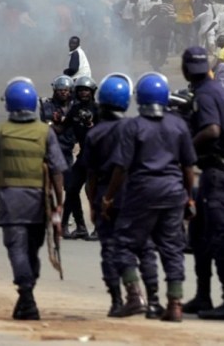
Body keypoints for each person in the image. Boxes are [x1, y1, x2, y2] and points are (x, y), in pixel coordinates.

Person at [103, 72, 197, 322]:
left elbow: (121, 168)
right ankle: (175, 304)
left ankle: (134, 296)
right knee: (172, 248)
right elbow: (188, 167)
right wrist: (189, 198)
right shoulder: (178, 125)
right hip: (173, 192)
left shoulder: (133, 126)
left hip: (141, 192)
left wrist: (108, 197)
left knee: (123, 243)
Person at [0, 77, 66, 320]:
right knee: (32, 250)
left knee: (17, 249)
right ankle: (26, 297)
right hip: (39, 202)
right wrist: (59, 202)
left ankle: (26, 296)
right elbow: (57, 171)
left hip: (10, 201)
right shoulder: (45, 132)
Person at [82, 73, 163, 318]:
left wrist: (95, 203)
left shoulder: (94, 135)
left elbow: (92, 175)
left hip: (107, 195)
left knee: (111, 249)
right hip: (137, 195)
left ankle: (119, 300)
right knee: (144, 247)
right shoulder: (136, 126)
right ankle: (154, 301)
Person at [180, 47, 224, 321]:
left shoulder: (206, 94)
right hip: (217, 169)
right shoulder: (214, 88)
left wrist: (186, 148)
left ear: (186, 70)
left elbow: (212, 129)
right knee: (199, 233)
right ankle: (203, 295)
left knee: (218, 236)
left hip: (221, 169)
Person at [60, 76, 98, 239]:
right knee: (71, 187)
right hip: (83, 156)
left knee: (94, 193)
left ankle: (100, 228)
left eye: (86, 90)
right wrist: (53, 124)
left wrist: (91, 125)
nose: (83, 93)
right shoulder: (74, 110)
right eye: (81, 90)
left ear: (92, 92)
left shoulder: (99, 110)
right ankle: (80, 226)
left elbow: (103, 136)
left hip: (98, 158)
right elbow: (61, 128)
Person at [39, 75, 76, 171]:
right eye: (60, 89)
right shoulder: (47, 106)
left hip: (69, 148)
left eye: (66, 90)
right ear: (55, 91)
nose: (63, 92)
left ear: (70, 91)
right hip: (52, 148)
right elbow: (45, 123)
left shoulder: (75, 107)